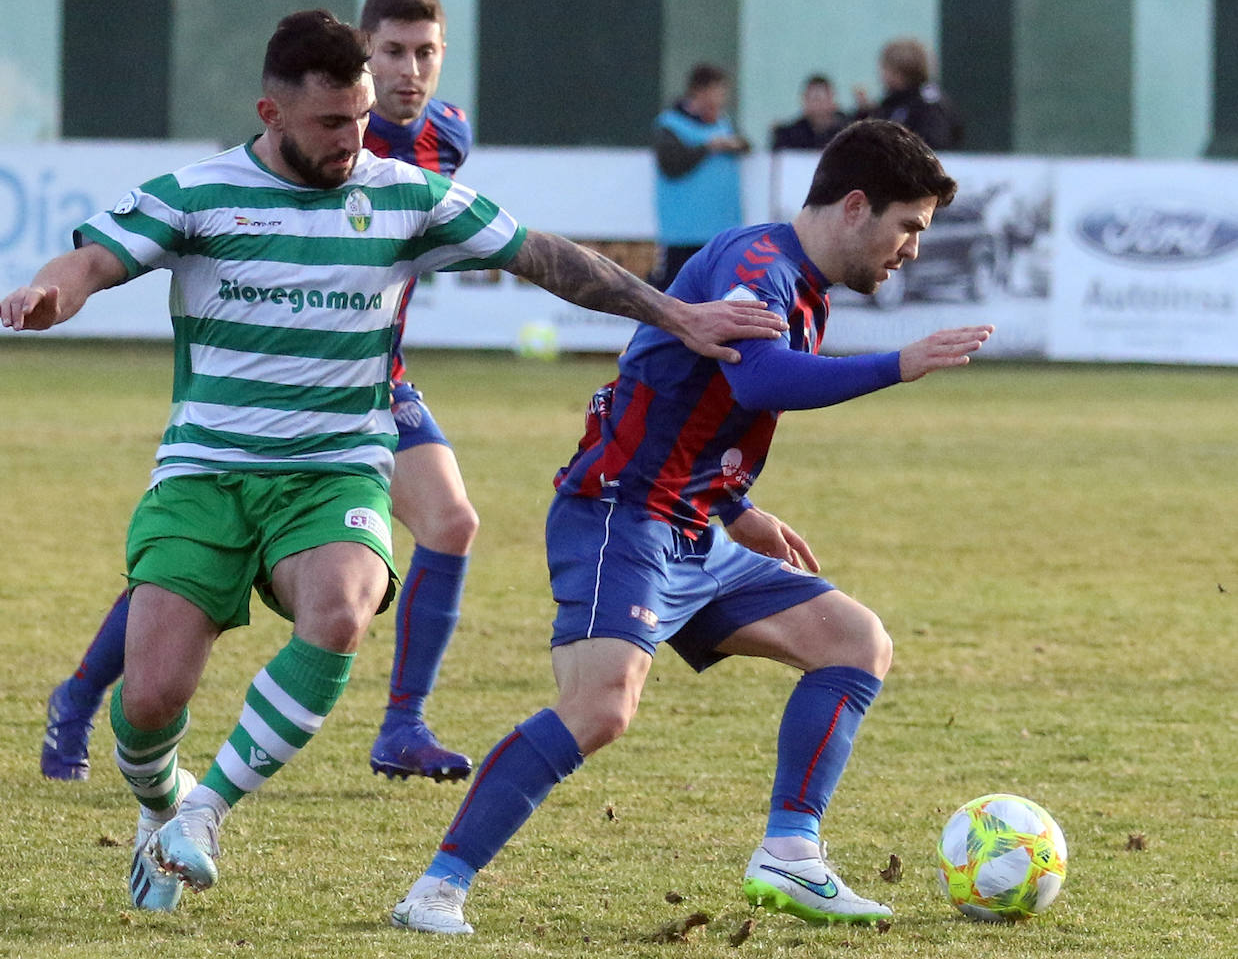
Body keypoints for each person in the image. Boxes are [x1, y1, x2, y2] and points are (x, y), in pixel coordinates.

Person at [0, 9, 785, 915]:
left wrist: (677, 314)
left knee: (340, 611)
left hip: (334, 469)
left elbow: (545, 257)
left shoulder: (403, 192)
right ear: (271, 112)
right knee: (147, 708)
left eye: (362, 116)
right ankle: (161, 806)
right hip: (206, 474)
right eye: (332, 122)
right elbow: (94, 258)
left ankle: (208, 811)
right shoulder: (199, 192)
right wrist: (52, 290)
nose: (353, 139)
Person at [390, 119, 994, 935]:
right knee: (600, 708)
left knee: (855, 641)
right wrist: (898, 363)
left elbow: (682, 388)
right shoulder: (758, 267)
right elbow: (760, 380)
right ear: (857, 206)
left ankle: (790, 854)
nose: (912, 250)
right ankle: (436, 888)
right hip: (620, 516)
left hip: (692, 527)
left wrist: (739, 509)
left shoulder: (798, 280)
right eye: (909, 227)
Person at [40, 0, 477, 786]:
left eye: (426, 53)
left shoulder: (446, 139)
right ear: (364, 53)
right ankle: (80, 694)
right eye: (393, 51)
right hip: (264, 393)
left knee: (450, 521)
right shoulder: (307, 135)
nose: (409, 70)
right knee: (184, 581)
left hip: (370, 383)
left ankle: (403, 725)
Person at [651, 63, 750, 290]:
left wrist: (736, 145)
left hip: (721, 230)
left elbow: (745, 144)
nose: (721, 99)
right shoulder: (670, 124)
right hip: (683, 232)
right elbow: (671, 164)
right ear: (699, 91)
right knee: (677, 292)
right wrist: (708, 147)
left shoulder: (723, 122)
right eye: (718, 91)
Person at [855, 38, 964, 150]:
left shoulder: (928, 105)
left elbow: (935, 142)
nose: (881, 75)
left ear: (898, 72)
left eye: (885, 68)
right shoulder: (893, 102)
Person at [770, 74, 850, 151]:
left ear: (833, 100)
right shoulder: (790, 134)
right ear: (804, 101)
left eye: (822, 99)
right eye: (813, 99)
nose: (818, 105)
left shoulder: (848, 132)